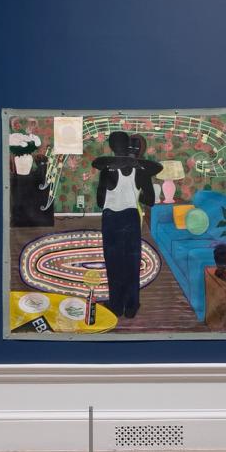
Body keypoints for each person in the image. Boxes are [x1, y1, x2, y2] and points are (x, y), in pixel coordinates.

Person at [93, 131, 158, 319]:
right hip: (131, 218)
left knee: (114, 264)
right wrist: (135, 193)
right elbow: (150, 200)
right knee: (131, 262)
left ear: (112, 148)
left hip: (112, 219)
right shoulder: (140, 171)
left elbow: (100, 200)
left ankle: (116, 305)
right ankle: (131, 306)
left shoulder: (107, 170)